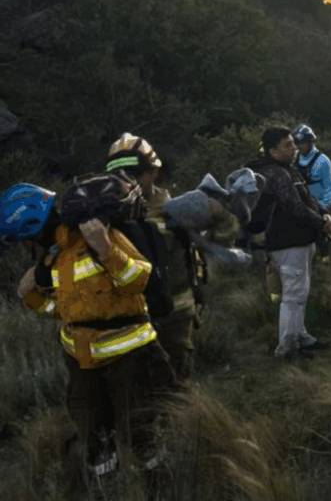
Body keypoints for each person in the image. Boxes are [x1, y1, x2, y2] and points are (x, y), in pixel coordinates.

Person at [3, 182, 176, 479]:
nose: (27, 247)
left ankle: (164, 488)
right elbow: (66, 310)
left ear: (33, 229)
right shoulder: (54, 258)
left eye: (25, 240)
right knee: (93, 435)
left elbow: (139, 278)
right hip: (82, 361)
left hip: (129, 356)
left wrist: (107, 250)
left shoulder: (97, 237)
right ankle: (105, 488)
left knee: (141, 432)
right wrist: (30, 295)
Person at [106, 132, 202, 380]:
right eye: (121, 175)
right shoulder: (106, 213)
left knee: (175, 376)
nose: (129, 182)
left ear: (154, 172)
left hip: (175, 313)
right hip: (129, 317)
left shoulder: (176, 210)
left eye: (136, 174)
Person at [247, 127, 331, 358]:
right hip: (287, 241)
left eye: (293, 144)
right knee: (294, 295)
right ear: (273, 150)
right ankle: (287, 348)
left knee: (299, 292)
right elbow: (294, 208)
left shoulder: (286, 170)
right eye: (287, 145)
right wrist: (321, 222)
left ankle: (300, 336)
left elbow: (306, 198)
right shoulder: (276, 173)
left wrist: (323, 213)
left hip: (296, 239)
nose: (294, 149)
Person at [293, 124, 331, 260]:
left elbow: (329, 185)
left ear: (310, 142)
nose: (300, 146)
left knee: (321, 236)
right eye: (298, 143)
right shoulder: (294, 158)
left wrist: (323, 207)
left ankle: (324, 261)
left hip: (318, 204)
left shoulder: (323, 161)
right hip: (299, 204)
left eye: (303, 143)